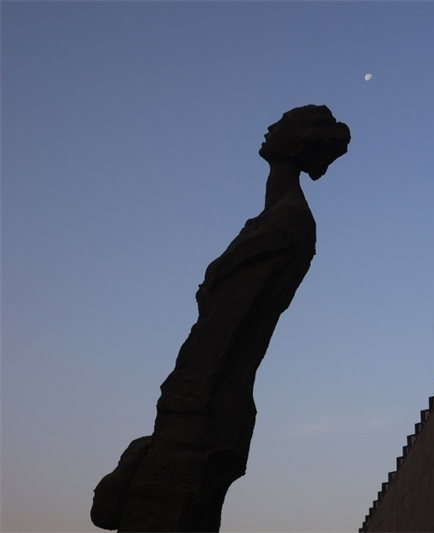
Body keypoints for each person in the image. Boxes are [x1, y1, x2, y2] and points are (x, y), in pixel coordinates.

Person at [92, 105, 350, 532]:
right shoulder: (270, 220)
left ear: (298, 143)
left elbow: (222, 331)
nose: (270, 127)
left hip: (201, 410)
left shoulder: (287, 223)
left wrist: (180, 411)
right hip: (202, 408)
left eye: (282, 123)